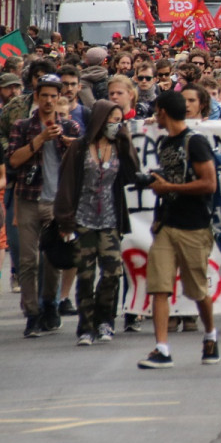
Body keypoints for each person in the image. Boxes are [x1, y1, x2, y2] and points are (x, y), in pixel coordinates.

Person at [137, 90, 220, 369]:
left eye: (156, 111)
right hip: (167, 225)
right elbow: (169, 181)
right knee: (159, 287)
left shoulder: (194, 142)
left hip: (194, 227)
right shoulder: (165, 144)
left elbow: (209, 184)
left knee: (197, 291)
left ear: (162, 112)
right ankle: (162, 348)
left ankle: (210, 335)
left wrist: (169, 187)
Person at [54, 101, 140, 346]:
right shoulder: (80, 148)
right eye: (112, 119)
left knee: (112, 272)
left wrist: (126, 141)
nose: (115, 124)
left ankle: (105, 319)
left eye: (119, 120)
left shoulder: (118, 147)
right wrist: (65, 220)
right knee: (86, 274)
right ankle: (86, 326)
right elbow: (67, 182)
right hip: (83, 219)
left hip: (110, 219)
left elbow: (133, 173)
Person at [8, 74, 82, 336]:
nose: (49, 101)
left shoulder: (70, 127)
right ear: (37, 97)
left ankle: (49, 303)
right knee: (28, 260)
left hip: (56, 202)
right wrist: (39, 140)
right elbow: (14, 161)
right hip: (28, 199)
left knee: (51, 258)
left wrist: (67, 143)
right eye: (45, 96)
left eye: (54, 96)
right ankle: (32, 313)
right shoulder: (22, 126)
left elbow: (81, 163)